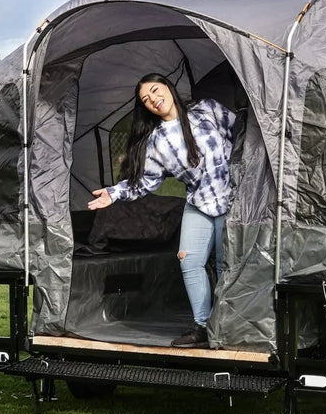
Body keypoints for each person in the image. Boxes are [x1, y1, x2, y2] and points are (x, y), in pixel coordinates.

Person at [88, 73, 236, 347]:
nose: (153, 100)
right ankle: (202, 327)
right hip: (199, 202)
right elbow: (146, 181)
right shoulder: (156, 141)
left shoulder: (207, 110)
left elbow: (242, 137)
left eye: (155, 91)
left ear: (168, 87)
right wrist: (114, 193)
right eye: (146, 100)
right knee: (190, 261)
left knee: (225, 263)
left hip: (233, 197)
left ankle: (228, 326)